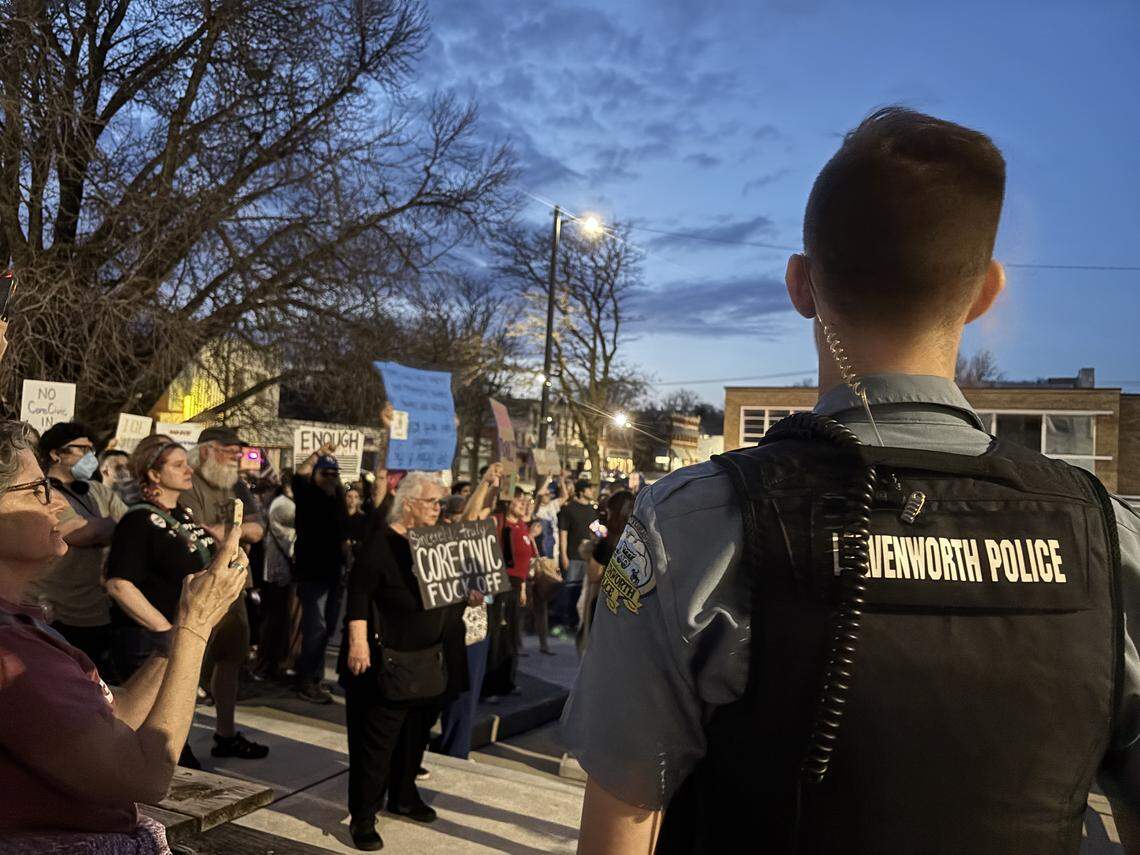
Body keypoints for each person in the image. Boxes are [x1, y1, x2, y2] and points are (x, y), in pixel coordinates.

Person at [564, 107, 1140, 855]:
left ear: (800, 284)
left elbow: (620, 832)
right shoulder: (1108, 540)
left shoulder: (690, 530)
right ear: (983, 292)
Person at [0, 419, 248, 838]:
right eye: (38, 490)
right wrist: (193, 626)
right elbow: (145, 777)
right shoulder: (14, 655)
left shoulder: (24, 626)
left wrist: (177, 639)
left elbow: (114, 719)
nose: (58, 504)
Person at [105, 434, 267, 767]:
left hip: (178, 638)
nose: (187, 470)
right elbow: (119, 584)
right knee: (152, 746)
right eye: (178, 465)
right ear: (153, 474)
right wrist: (167, 631)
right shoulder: (139, 520)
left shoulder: (183, 515)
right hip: (151, 643)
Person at [340, 471, 471, 851]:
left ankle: (404, 795)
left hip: (430, 662)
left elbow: (449, 591)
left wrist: (470, 595)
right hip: (386, 661)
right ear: (409, 502)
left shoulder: (438, 542)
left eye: (440, 502)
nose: (438, 508)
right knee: (375, 745)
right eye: (432, 501)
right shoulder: (381, 542)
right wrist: (357, 643)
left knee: (415, 738)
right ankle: (364, 815)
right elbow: (359, 593)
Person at [179, 426, 268, 760]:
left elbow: (258, 528)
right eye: (229, 451)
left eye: (237, 452)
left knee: (231, 659)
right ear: (205, 450)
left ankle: (226, 733)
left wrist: (231, 531)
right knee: (192, 665)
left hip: (236, 583)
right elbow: (199, 533)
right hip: (203, 585)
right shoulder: (190, 483)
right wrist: (235, 532)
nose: (236, 457)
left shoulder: (237, 483)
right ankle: (178, 740)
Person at [31, 422, 127, 681]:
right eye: (81, 449)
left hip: (96, 608)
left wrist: (97, 527)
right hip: (54, 607)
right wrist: (102, 527)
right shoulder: (41, 492)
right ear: (55, 454)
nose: (90, 456)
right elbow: (84, 535)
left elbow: (128, 528)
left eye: (91, 449)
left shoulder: (97, 491)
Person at [291, 444, 349, 703]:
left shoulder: (337, 499)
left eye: (334, 473)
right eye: (325, 473)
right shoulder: (307, 493)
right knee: (316, 627)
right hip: (312, 572)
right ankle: (306, 680)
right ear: (315, 474)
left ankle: (314, 678)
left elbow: (343, 535)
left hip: (333, 572)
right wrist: (317, 453)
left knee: (328, 629)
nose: (330, 477)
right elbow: (298, 475)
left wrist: (347, 559)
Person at [482, 487, 534, 700]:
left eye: (524, 500)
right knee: (498, 636)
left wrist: (522, 588)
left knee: (512, 636)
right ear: (507, 501)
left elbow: (523, 559)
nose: (523, 504)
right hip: (500, 585)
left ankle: (507, 681)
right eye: (518, 500)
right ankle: (489, 687)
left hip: (515, 586)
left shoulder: (521, 525)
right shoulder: (498, 522)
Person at [577, 489, 634, 656]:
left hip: (603, 604)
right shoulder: (637, 542)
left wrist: (590, 551)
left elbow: (594, 574)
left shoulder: (608, 544)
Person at [255, 474, 299, 682]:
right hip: (277, 572)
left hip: (281, 572)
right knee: (274, 621)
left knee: (279, 621)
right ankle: (266, 665)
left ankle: (272, 664)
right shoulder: (284, 506)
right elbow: (291, 538)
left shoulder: (286, 504)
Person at [554, 479, 597, 630]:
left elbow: (597, 531)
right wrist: (563, 555)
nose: (592, 492)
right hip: (572, 556)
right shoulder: (569, 509)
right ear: (582, 491)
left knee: (585, 591)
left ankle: (582, 621)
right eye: (589, 489)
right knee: (571, 589)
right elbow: (563, 534)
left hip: (589, 557)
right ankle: (569, 621)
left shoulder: (593, 510)